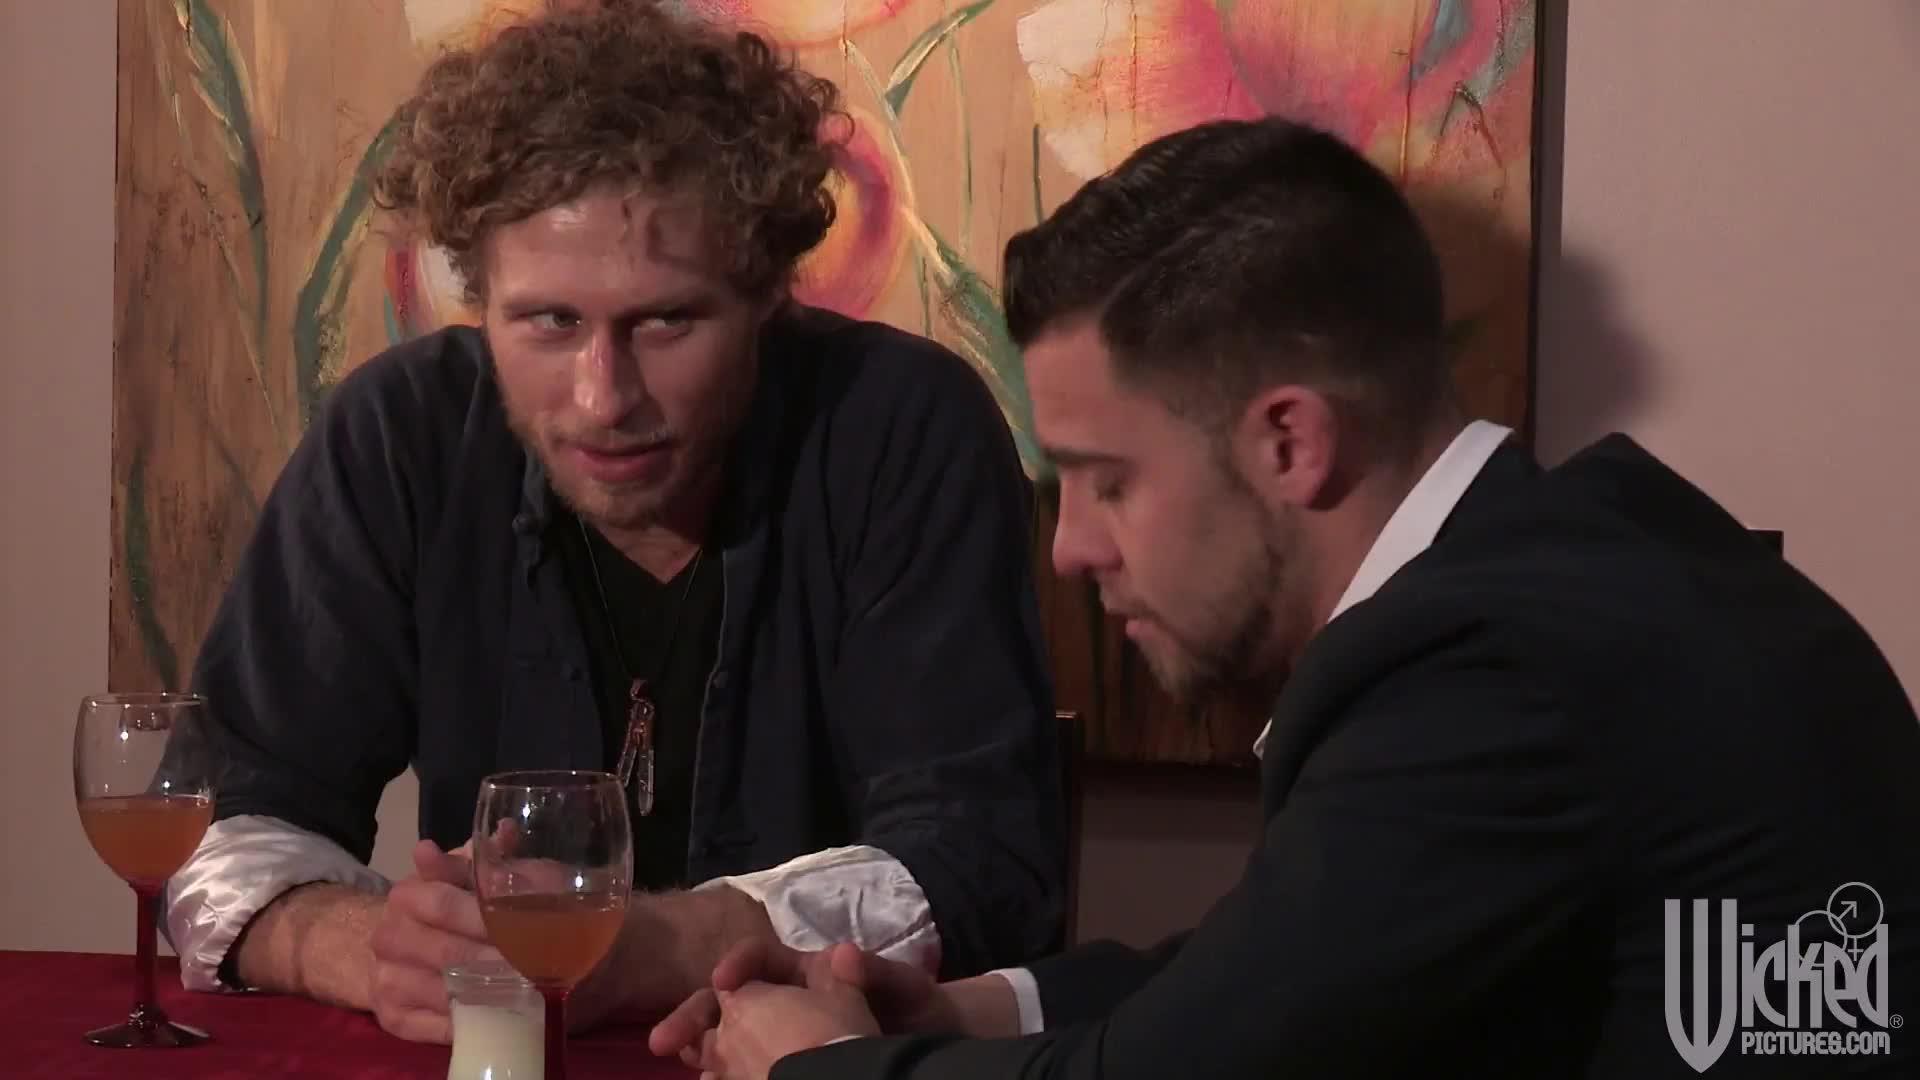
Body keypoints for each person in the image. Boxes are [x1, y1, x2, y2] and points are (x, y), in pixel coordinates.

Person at [651, 116, 1920, 1078]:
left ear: (1289, 443)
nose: (1071, 549)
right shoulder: (1587, 571)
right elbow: (1283, 980)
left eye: (1106, 480)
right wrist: (963, 1008)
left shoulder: (1494, 673)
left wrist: (817, 1067)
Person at [160, 0, 1066, 1045]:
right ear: (479, 298)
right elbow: (217, 821)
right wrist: (364, 949)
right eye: (549, 321)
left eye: (666, 321)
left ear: (767, 294)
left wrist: (652, 948)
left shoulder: (902, 426)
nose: (603, 397)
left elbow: (982, 864)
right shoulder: (400, 434)